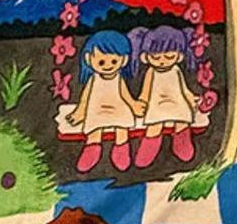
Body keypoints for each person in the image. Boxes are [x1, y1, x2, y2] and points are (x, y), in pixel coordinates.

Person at [129, 23, 207, 169]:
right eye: (156, 57)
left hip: (177, 103)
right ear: (146, 57)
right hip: (156, 104)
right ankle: (148, 149)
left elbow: (183, 89)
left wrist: (191, 98)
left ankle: (182, 143)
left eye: (169, 56)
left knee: (182, 122)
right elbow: (145, 92)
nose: (162, 61)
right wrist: (142, 102)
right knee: (154, 126)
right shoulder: (151, 72)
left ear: (179, 56)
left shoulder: (176, 70)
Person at [63, 29, 141, 172]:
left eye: (114, 61)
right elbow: (85, 98)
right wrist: (80, 112)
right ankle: (92, 149)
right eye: (101, 62)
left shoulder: (119, 79)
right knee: (94, 129)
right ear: (88, 59)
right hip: (97, 110)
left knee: (122, 127)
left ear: (124, 60)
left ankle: (121, 148)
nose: (108, 66)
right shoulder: (93, 79)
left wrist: (133, 105)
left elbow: (125, 95)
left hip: (118, 108)